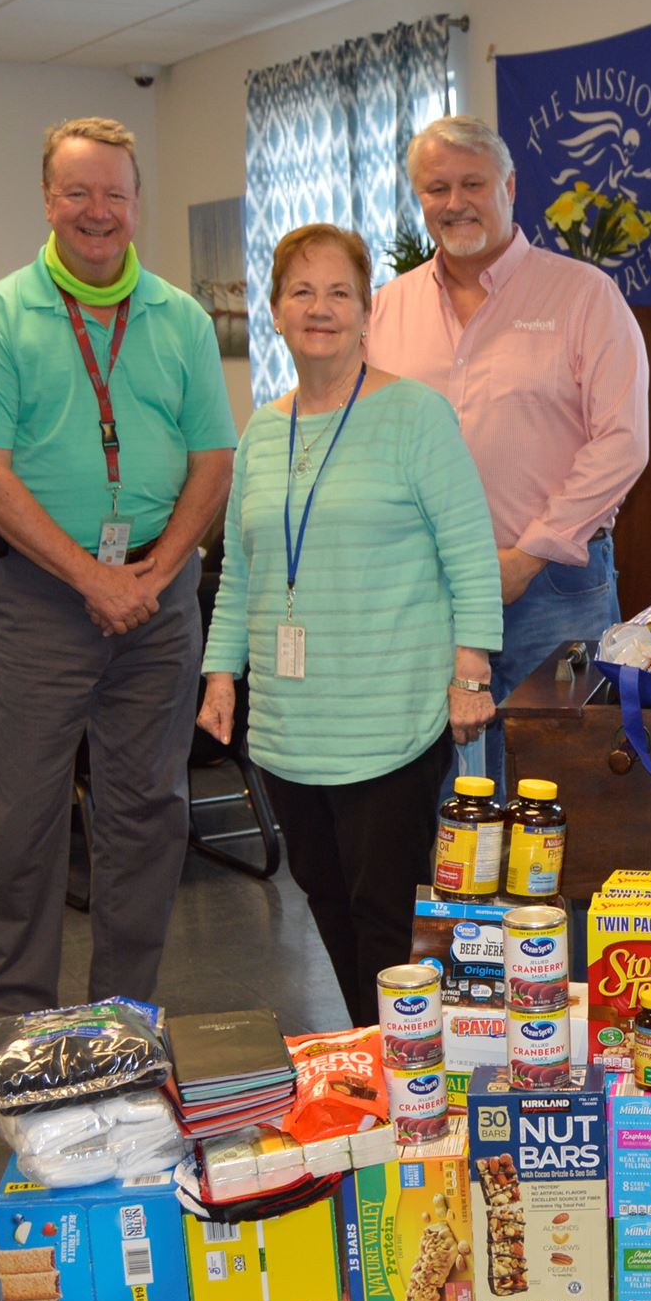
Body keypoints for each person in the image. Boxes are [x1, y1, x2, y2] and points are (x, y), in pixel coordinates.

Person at [0, 117, 237, 1022]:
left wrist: (154, 573)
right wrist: (91, 577)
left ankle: (122, 1020)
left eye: (115, 192)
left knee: (148, 815)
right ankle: (16, 1031)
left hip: (159, 596)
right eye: (78, 191)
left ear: (138, 203)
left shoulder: (181, 320)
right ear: (47, 199)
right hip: (35, 600)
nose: (97, 210)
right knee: (20, 823)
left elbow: (213, 462)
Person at [200, 225, 503, 1027]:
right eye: (302, 292)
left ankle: (403, 1066)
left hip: (391, 716)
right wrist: (221, 674)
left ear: (367, 311)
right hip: (292, 725)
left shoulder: (414, 415)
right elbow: (242, 570)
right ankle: (377, 1044)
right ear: (275, 311)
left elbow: (470, 551)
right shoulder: (263, 432)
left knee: (386, 910)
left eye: (339, 292)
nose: (321, 308)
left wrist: (470, 671)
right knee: (326, 896)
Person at [366, 113, 647, 779]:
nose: (454, 202)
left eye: (472, 184)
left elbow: (623, 442)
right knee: (444, 795)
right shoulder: (385, 311)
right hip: (427, 591)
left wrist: (528, 554)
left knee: (560, 790)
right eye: (436, 188)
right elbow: (369, 443)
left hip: (555, 587)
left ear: (510, 186)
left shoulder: (584, 296)